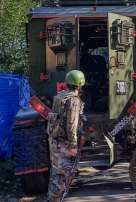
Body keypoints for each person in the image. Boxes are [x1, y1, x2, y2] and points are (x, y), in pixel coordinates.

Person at [47, 70, 86, 202]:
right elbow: (71, 125)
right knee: (61, 176)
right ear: (80, 85)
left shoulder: (60, 96)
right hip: (64, 144)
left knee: (56, 173)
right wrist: (73, 145)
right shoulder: (73, 101)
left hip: (55, 141)